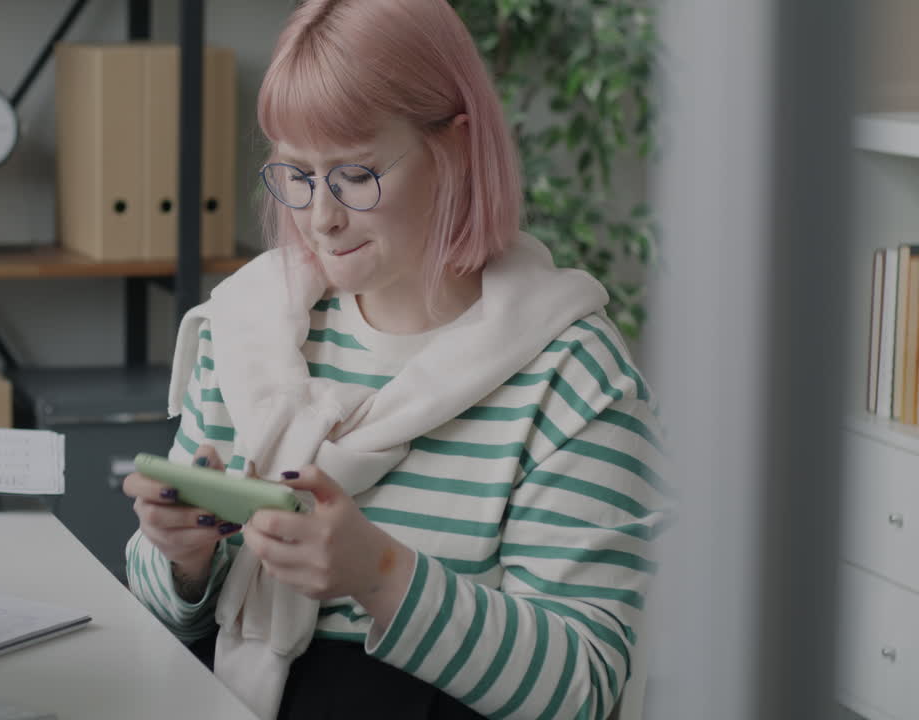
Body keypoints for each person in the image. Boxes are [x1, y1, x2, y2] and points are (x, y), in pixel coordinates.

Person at [123, 1, 668, 718]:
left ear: (456, 149)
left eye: (355, 173)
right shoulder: (249, 326)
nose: (321, 217)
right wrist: (182, 560)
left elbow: (586, 686)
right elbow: (157, 613)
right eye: (297, 172)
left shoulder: (571, 374)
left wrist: (381, 576)